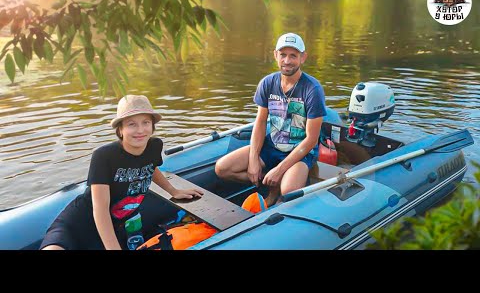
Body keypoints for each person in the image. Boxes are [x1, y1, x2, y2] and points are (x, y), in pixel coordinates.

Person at [40, 95, 203, 250]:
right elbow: (100, 209)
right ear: (120, 130)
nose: (140, 130)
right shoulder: (104, 156)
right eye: (132, 124)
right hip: (81, 222)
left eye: (146, 122)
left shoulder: (154, 146)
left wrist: (173, 190)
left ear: (152, 126)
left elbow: (150, 167)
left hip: (118, 226)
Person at [215, 33, 327, 206]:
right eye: (283, 55)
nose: (287, 61)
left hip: (299, 151)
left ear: (303, 58)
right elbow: (260, 122)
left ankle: (278, 189)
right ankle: (269, 185)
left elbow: (311, 140)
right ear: (275, 55)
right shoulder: (267, 83)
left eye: (293, 56)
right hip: (272, 145)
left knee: (288, 191)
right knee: (222, 168)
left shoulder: (313, 89)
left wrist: (280, 169)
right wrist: (253, 160)